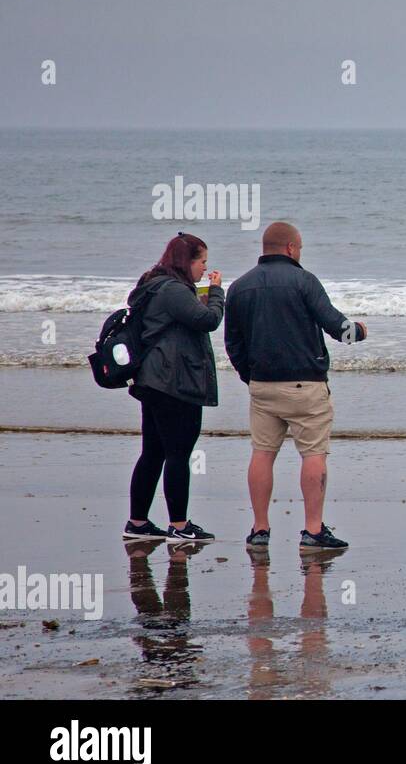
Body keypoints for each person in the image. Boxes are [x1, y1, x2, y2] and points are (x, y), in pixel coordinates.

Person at [224, 221, 368, 550]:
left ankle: (260, 530)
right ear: (291, 248)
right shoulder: (304, 281)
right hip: (306, 385)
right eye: (299, 247)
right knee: (314, 454)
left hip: (262, 385)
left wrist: (249, 376)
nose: (300, 252)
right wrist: (359, 330)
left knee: (262, 454)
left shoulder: (240, 287)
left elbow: (232, 342)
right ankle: (313, 531)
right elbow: (336, 327)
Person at [123, 232, 224, 542]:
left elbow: (186, 318)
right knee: (178, 452)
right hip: (173, 383)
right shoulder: (174, 289)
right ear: (187, 261)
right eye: (202, 261)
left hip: (152, 379)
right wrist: (218, 292)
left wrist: (202, 293)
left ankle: (138, 523)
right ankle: (179, 526)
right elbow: (208, 320)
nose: (205, 269)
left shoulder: (153, 283)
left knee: (153, 451)